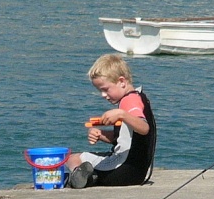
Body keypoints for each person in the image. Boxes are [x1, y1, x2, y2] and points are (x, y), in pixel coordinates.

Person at [66, 54, 156, 188]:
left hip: (122, 170)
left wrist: (121, 114)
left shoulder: (129, 101)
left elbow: (144, 128)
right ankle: (90, 176)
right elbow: (126, 139)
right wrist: (101, 134)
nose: (103, 95)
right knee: (87, 160)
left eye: (105, 89)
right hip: (137, 172)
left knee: (73, 159)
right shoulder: (139, 97)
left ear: (122, 82)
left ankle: (85, 178)